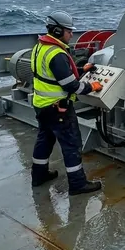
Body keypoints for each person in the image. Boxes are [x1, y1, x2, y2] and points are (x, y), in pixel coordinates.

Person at [30, 11, 104, 195]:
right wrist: (92, 86)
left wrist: (81, 69)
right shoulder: (57, 53)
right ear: (57, 31)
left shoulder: (40, 47)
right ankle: (78, 184)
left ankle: (38, 176)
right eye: (69, 31)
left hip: (41, 105)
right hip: (58, 108)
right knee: (71, 145)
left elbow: (53, 74)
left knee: (44, 140)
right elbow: (72, 86)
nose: (71, 34)